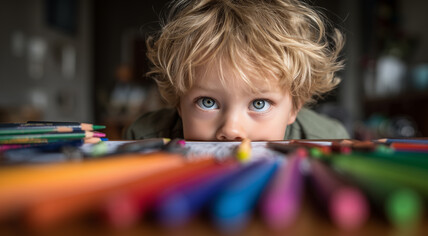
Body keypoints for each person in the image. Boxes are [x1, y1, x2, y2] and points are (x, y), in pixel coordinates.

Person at [125, 0, 349, 141]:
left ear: (294, 107)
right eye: (207, 102)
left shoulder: (329, 141)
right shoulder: (144, 139)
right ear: (179, 103)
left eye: (259, 103)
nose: (231, 130)